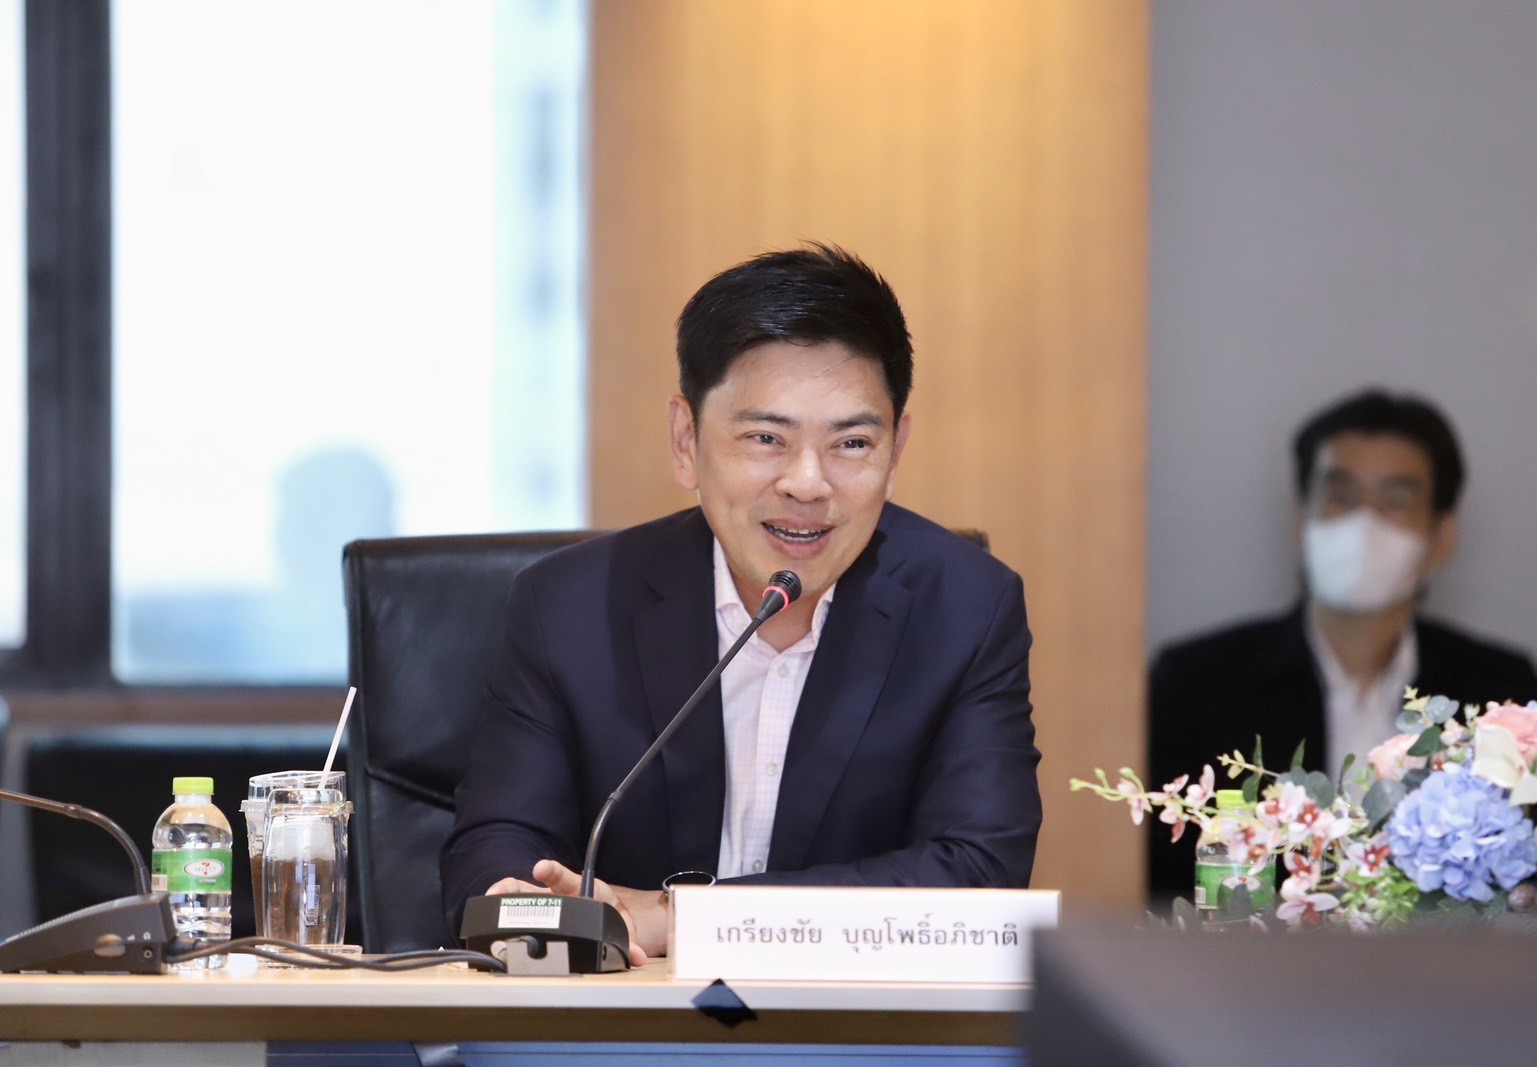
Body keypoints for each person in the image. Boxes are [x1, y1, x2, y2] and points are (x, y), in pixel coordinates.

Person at [442, 244, 1042, 963]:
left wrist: (682, 917)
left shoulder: (967, 608)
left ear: (896, 449)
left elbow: (979, 873)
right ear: (685, 440)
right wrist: (539, 907)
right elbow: (497, 842)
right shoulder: (568, 607)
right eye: (765, 438)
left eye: (852, 443)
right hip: (619, 1007)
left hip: (846, 1016)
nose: (807, 483)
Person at [1146, 389, 1537, 902]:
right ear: (1301, 517)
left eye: (1396, 502)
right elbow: (1156, 885)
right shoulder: (1196, 685)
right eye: (1340, 495)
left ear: (1442, 535)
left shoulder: (1500, 694)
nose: (1363, 523)